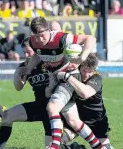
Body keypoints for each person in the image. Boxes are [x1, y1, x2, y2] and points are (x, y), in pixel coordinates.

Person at [24, 17, 105, 149]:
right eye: (36, 36)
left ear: (49, 30)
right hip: (55, 78)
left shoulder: (61, 38)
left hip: (70, 77)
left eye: (43, 36)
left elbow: (90, 38)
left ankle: (54, 146)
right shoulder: (34, 42)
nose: (40, 40)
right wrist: (28, 69)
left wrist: (82, 58)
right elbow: (38, 55)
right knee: (73, 120)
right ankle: (99, 147)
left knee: (52, 107)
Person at [0, 21, 65, 149]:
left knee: (50, 146)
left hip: (55, 108)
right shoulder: (25, 66)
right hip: (39, 106)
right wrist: (17, 75)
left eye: (28, 51)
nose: (27, 55)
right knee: (6, 117)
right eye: (24, 52)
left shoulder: (49, 60)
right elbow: (18, 87)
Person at [58, 53, 114, 148]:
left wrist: (67, 77)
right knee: (56, 143)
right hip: (76, 120)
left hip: (96, 121)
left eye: (90, 71)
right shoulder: (75, 75)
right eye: (84, 70)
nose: (86, 75)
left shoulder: (97, 78)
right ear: (79, 67)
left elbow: (85, 93)